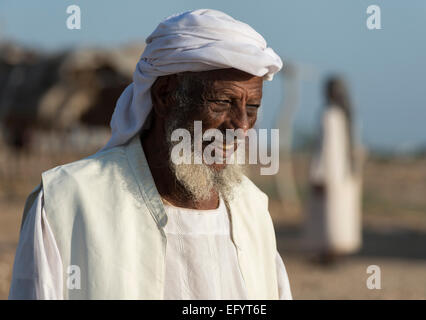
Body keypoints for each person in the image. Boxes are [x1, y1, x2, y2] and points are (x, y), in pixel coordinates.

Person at [9, 9, 292, 299]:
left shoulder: (252, 210)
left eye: (253, 107)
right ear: (165, 96)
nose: (242, 126)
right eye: (223, 101)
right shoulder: (68, 202)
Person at [302, 76, 364, 263]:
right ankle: (335, 250)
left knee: (328, 214)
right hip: (345, 175)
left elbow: (326, 148)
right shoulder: (348, 115)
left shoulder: (329, 115)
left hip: (330, 174)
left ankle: (329, 251)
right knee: (340, 213)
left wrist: (318, 173)